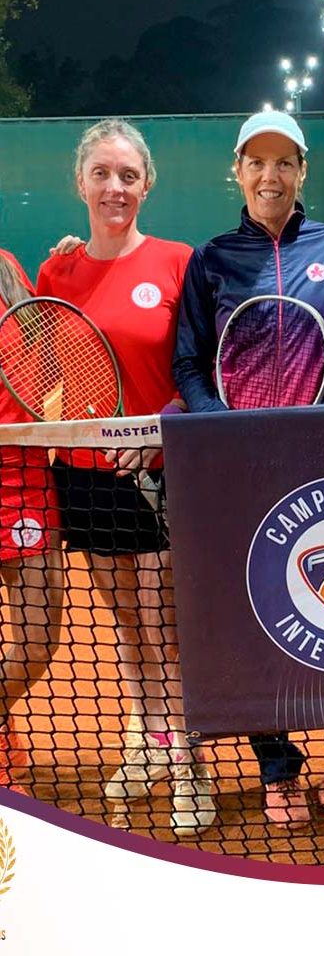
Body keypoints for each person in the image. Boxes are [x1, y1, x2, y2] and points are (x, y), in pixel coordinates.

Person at [173, 110, 324, 827]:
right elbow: (189, 364)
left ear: (302, 171)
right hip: (244, 474)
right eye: (256, 162)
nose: (270, 175)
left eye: (284, 162)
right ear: (237, 171)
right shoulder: (212, 260)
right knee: (257, 621)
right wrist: (224, 430)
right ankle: (278, 767)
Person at [36, 118, 215, 834]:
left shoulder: (178, 262)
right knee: (126, 626)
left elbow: (198, 369)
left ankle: (190, 766)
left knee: (166, 625)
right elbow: (46, 375)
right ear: (80, 183)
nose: (115, 187)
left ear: (148, 185)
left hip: (161, 469)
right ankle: (150, 743)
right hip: (87, 474)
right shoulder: (57, 273)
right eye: (102, 174)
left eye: (128, 175)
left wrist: (161, 427)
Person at [0, 250, 63, 794]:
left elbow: (48, 363)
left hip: (24, 475)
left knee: (39, 640)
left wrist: (70, 260)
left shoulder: (8, 269)